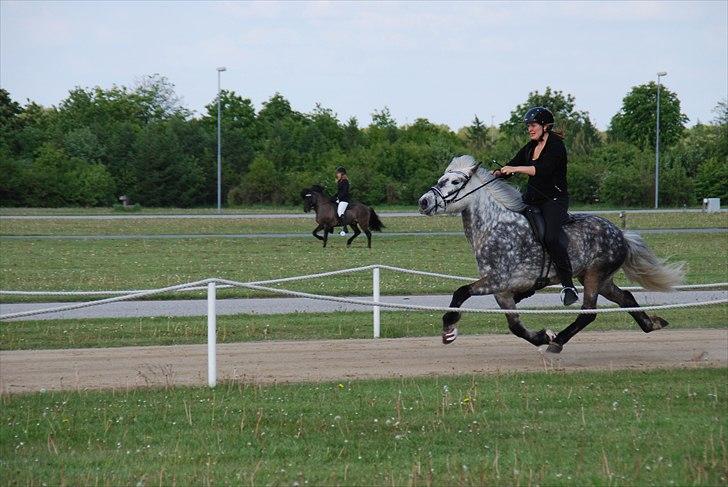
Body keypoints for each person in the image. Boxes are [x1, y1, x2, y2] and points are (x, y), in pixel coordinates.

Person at [494, 107, 579, 306]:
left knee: (550, 237)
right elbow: (511, 165)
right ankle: (528, 283)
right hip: (532, 200)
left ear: (545, 126)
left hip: (554, 200)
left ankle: (568, 285)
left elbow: (542, 170)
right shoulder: (530, 146)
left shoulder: (556, 146)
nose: (530, 130)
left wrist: (515, 169)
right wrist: (498, 173)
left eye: (533, 125)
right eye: (528, 127)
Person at [334, 166, 350, 236]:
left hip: (344, 200)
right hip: (340, 199)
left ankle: (345, 228)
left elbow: (344, 192)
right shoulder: (340, 181)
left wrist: (338, 198)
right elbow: (339, 192)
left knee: (340, 212)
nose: (337, 174)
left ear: (342, 174)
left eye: (338, 173)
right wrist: (333, 197)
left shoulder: (345, 181)